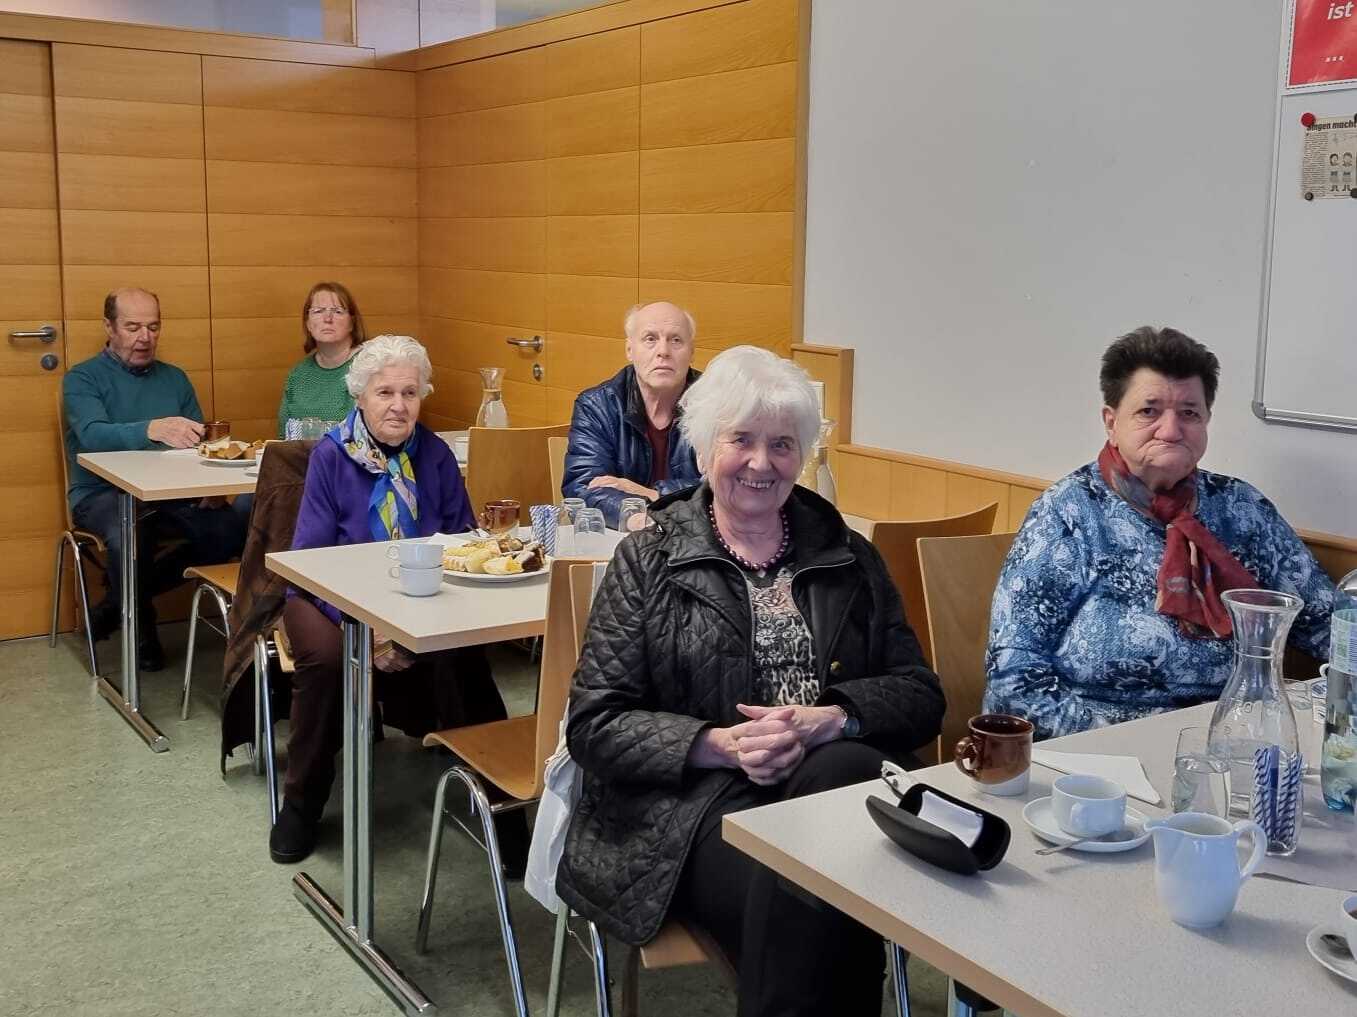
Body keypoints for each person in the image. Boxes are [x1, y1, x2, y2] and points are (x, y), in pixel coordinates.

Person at [557, 346, 944, 1016]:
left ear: (803, 454)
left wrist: (831, 719)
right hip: (693, 808)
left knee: (837, 781)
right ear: (704, 446)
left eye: (782, 444)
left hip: (836, 782)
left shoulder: (849, 556)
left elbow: (920, 695)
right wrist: (720, 744)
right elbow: (595, 725)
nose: (762, 463)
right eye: (741, 439)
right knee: (822, 875)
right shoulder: (647, 560)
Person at [984, 326, 1336, 740]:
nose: (1170, 430)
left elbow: (1326, 622)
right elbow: (1013, 681)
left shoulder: (1241, 509)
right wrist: (1139, 743)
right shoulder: (1068, 512)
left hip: (1230, 739)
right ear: (1111, 423)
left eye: (1189, 413)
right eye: (1149, 411)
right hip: (1098, 749)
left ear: (1206, 421)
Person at [270, 334, 524, 865]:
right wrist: (367, 627)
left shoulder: (434, 454)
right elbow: (310, 563)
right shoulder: (331, 456)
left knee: (466, 657)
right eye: (384, 392)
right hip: (326, 598)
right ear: (360, 396)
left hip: (416, 594)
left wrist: (422, 614)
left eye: (410, 393)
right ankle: (301, 803)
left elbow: (462, 540)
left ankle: (502, 803)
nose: (398, 405)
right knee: (329, 662)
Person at [63, 288, 248, 671]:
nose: (145, 337)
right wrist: (151, 428)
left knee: (229, 529)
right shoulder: (82, 378)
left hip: (169, 493)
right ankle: (140, 622)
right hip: (101, 493)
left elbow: (199, 442)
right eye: (132, 327)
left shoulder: (174, 379)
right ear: (109, 327)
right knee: (130, 532)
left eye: (153, 327)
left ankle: (120, 603)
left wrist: (211, 488)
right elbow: (92, 435)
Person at [561, 301, 703, 526]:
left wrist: (653, 494)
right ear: (629, 350)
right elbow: (583, 487)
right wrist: (640, 520)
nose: (663, 351)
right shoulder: (597, 406)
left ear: (691, 352)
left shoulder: (717, 404)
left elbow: (729, 488)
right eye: (650, 339)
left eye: (676, 340)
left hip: (699, 537)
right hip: (625, 535)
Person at [277, 281, 366, 438]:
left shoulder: (370, 366)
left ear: (352, 322)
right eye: (318, 311)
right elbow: (283, 437)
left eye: (337, 311)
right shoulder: (298, 374)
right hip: (301, 454)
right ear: (308, 323)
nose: (328, 318)